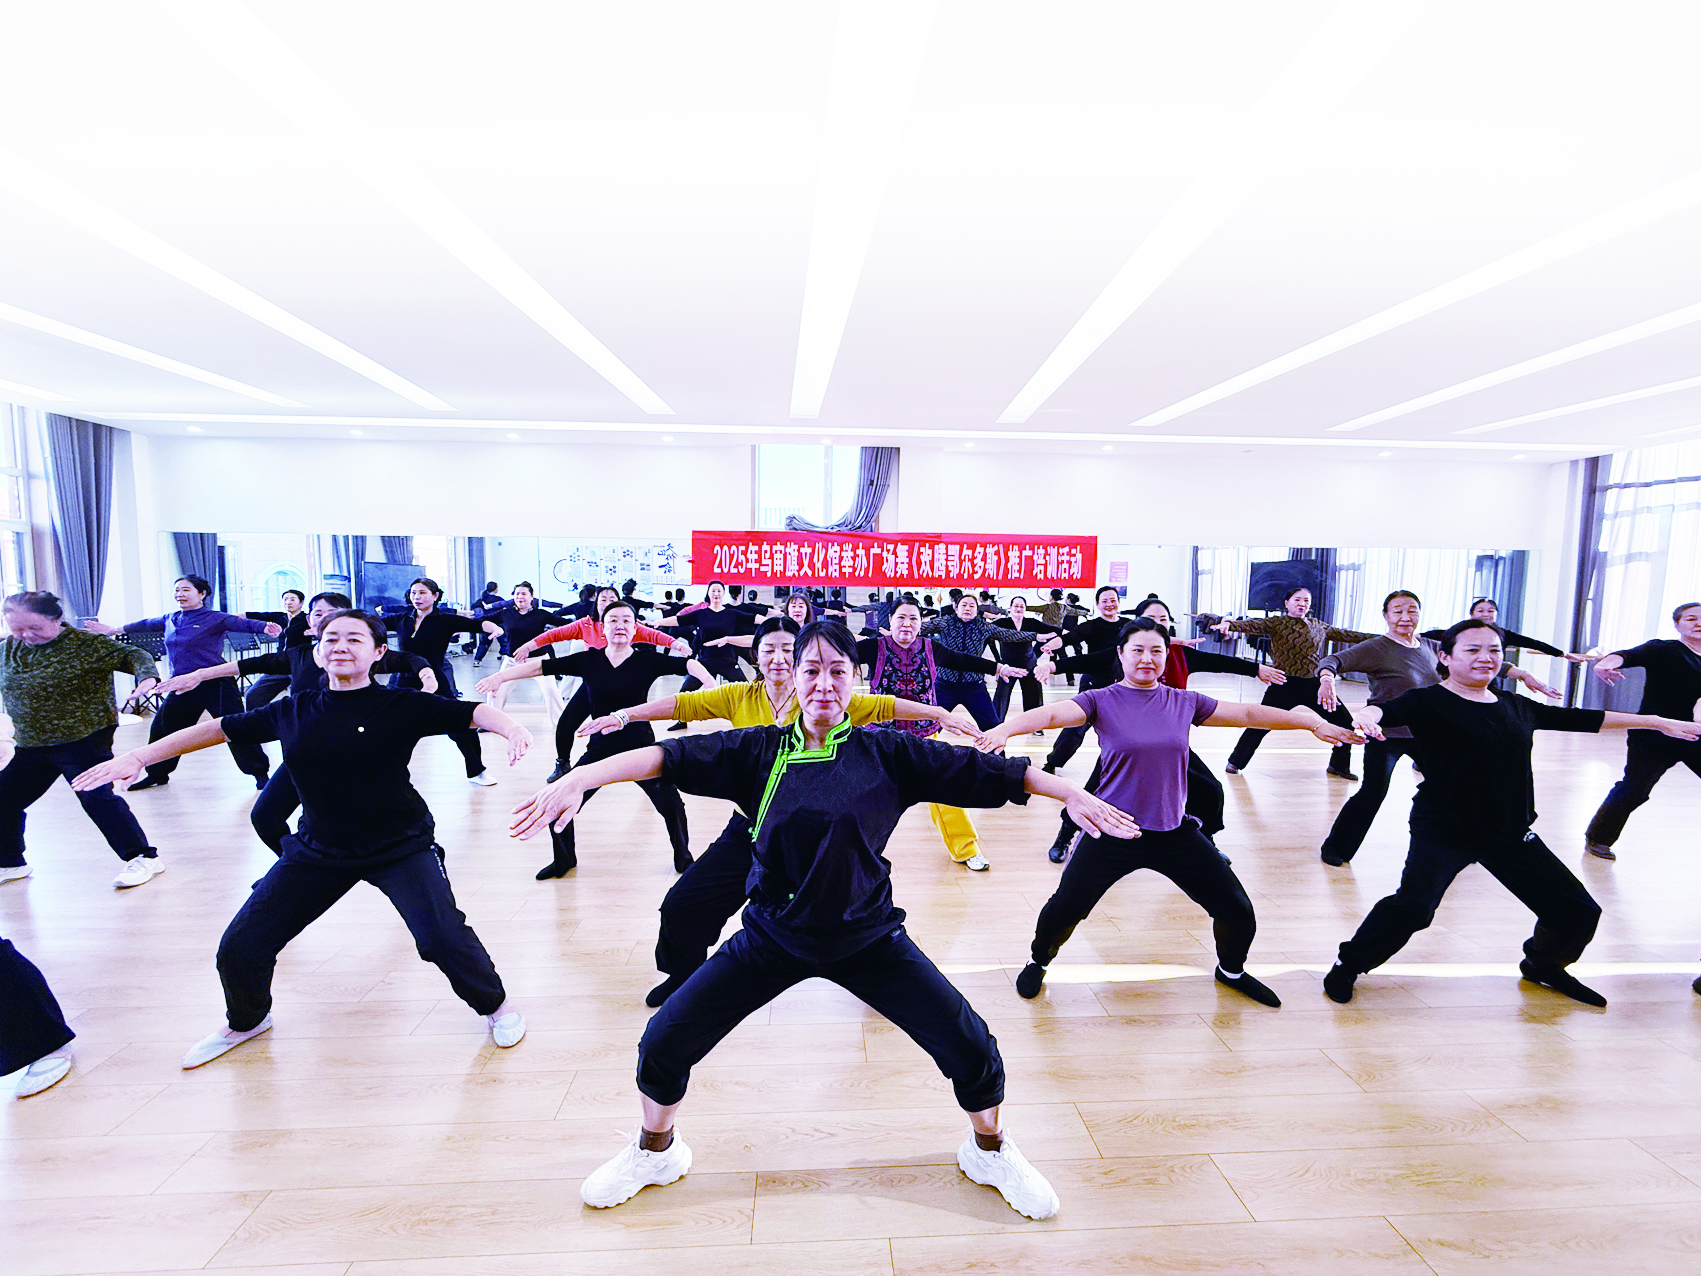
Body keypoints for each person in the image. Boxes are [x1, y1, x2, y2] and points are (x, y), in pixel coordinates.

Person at [510, 619, 1138, 1217]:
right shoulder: (758, 749)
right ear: (793, 675)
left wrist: (1072, 793)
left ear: (856, 679)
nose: (823, 683)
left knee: (971, 1045)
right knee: (663, 1042)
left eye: (837, 671)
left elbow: (992, 771)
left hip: (868, 937)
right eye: (810, 670)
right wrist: (581, 777)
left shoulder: (886, 751)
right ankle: (656, 1152)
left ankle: (990, 1151)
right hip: (773, 937)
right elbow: (664, 757)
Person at [71, 610, 536, 1067]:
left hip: (401, 846)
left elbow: (471, 712)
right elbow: (217, 729)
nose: (340, 646)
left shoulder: (402, 705)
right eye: (331, 639)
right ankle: (248, 1021)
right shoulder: (292, 710)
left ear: (379, 653)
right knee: (240, 947)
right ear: (317, 653)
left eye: (354, 639)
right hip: (318, 850)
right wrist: (140, 757)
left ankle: (497, 1007)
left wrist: (512, 727)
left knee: (440, 938)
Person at [576, 615, 983, 1007]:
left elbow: (885, 706)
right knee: (682, 906)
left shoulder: (822, 694)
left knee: (858, 917)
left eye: (787, 650)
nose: (777, 658)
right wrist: (624, 715)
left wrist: (939, 713)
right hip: (751, 828)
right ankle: (683, 977)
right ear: (755, 656)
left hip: (814, 835)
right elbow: (683, 705)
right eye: (768, 649)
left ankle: (885, 981)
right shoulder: (739, 695)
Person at [1322, 618, 1700, 1008]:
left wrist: (1656, 722)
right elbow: (1382, 710)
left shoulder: (1515, 705)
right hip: (1445, 827)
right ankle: (1348, 964)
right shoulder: (1426, 701)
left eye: (1494, 651)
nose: (1485, 658)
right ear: (1445, 657)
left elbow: (1585, 719)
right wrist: (1366, 717)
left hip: (1509, 830)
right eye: (1472, 650)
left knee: (1577, 911)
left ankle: (1543, 964)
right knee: (1414, 907)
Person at [985, 616, 1359, 1007]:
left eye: (1156, 651)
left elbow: (1249, 714)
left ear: (1167, 656)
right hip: (1112, 829)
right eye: (1138, 650)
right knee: (1065, 909)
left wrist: (1307, 722)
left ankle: (1231, 971)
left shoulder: (1184, 702)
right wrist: (1004, 730)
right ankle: (1038, 961)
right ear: (1121, 654)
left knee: (1236, 909)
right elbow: (1050, 715)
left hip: (1173, 831)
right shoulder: (1100, 700)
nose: (1147, 658)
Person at [152, 592, 438, 855]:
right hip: (305, 752)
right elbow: (247, 665)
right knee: (265, 817)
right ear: (310, 620)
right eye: (317, 613)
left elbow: (407, 658)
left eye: (330, 612)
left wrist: (427, 676)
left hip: (355, 750)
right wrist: (199, 675)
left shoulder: (358, 655)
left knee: (355, 815)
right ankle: (295, 863)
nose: (321, 617)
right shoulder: (298, 654)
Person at [1316, 591, 1560, 867]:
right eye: (1397, 611)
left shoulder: (1431, 646)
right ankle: (1336, 847)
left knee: (1454, 788)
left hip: (1429, 734)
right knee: (1373, 792)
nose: (1405, 617)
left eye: (1412, 610)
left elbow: (1475, 660)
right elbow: (1333, 661)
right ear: (1386, 615)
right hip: (1386, 735)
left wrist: (1523, 674)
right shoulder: (1376, 647)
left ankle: (1461, 844)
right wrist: (1327, 680)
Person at [478, 599, 712, 879]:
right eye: (613, 620)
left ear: (635, 628)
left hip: (640, 750)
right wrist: (501, 678)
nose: (620, 625)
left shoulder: (647, 660)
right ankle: (564, 860)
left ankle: (683, 858)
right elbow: (539, 667)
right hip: (600, 749)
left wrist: (710, 684)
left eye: (626, 621)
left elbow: (689, 664)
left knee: (672, 806)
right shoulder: (589, 660)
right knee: (561, 799)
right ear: (603, 628)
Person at [1041, 595, 1282, 861]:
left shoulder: (1182, 655)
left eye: (1163, 619)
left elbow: (1220, 662)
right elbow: (1086, 661)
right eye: (1151, 618)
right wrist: (1053, 665)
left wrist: (1256, 669)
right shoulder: (1128, 654)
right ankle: (1065, 835)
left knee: (1210, 790)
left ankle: (1205, 842)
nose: (1158, 623)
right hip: (1127, 747)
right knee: (1093, 792)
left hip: (1170, 746)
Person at [0, 591, 163, 887]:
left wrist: (147, 677)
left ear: (56, 619)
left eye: (35, 628)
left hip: (84, 739)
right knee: (4, 799)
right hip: (33, 743)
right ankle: (10, 862)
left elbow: (134, 655)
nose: (26, 635)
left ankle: (144, 857)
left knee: (96, 797)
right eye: (17, 629)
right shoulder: (8, 649)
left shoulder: (87, 645)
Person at [855, 600, 1022, 872]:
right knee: (863, 797)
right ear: (890, 620)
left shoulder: (932, 648)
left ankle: (966, 848)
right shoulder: (873, 647)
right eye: (901, 618)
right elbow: (838, 653)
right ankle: (851, 853)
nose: (907, 624)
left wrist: (998, 668)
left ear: (921, 623)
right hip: (880, 742)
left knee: (946, 792)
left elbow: (962, 660)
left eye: (913, 618)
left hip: (924, 737)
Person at [85, 575, 280, 791]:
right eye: (177, 590)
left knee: (235, 728)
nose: (180, 594)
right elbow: (144, 624)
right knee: (162, 729)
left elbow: (242, 623)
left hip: (216, 683)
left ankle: (260, 773)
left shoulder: (215, 618)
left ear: (202, 594)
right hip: (181, 685)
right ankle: (157, 774)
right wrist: (113, 630)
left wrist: (265, 627)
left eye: (186, 590)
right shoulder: (171, 618)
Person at [510, 587, 681, 772]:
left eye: (612, 599)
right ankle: (562, 763)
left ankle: (649, 769)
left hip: (626, 685)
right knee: (566, 723)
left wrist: (678, 645)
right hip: (595, 685)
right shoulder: (586, 624)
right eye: (603, 599)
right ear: (596, 603)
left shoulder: (626, 625)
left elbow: (654, 635)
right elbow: (555, 634)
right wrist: (528, 647)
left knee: (636, 728)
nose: (607, 603)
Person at [1211, 586, 1373, 778]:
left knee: (1345, 722)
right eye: (1297, 600)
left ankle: (1338, 766)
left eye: (1306, 600)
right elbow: (1251, 625)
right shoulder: (1276, 623)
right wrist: (1229, 624)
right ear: (1287, 603)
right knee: (1261, 723)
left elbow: (1350, 635)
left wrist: (1384, 639)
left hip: (1314, 686)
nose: (1302, 604)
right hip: (1283, 685)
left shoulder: (1319, 625)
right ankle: (1235, 762)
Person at [1582, 601, 1701, 861]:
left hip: (1694, 735)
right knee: (1635, 788)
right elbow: (1628, 655)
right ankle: (1598, 838)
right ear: (1677, 624)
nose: (1699, 623)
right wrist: (1605, 664)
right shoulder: (1664, 649)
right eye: (1691, 618)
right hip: (1653, 734)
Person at [380, 578, 493, 785]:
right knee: (383, 725)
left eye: (422, 593)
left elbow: (476, 624)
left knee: (460, 725)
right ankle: (380, 772)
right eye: (413, 593)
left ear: (435, 596)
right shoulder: (402, 618)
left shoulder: (445, 620)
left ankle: (476, 772)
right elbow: (372, 624)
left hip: (435, 680)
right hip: (401, 681)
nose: (417, 597)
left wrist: (494, 628)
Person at [922, 592, 1058, 730]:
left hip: (974, 687)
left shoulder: (983, 627)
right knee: (928, 726)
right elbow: (921, 628)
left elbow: (1008, 634)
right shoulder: (945, 622)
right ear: (956, 608)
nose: (967, 608)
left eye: (972, 606)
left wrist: (1035, 636)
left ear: (977, 610)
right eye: (964, 605)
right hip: (944, 685)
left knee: (992, 728)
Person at [1044, 586, 1138, 772]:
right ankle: (1052, 763)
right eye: (1105, 601)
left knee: (1125, 729)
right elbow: (1068, 638)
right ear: (1097, 604)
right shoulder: (1092, 626)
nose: (1109, 604)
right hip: (1094, 683)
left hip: (1122, 685)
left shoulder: (1129, 626)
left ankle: (1122, 768)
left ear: (1119, 602)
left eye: (1113, 600)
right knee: (1076, 726)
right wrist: (1050, 646)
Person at [656, 581, 754, 730]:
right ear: (708, 593)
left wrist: (775, 622)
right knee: (685, 691)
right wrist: (658, 622)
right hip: (705, 661)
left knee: (746, 689)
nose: (716, 594)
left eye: (719, 591)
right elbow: (679, 620)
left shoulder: (731, 613)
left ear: (723, 593)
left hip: (727, 661)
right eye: (713, 591)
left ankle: (752, 719)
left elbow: (752, 617)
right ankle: (682, 720)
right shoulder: (701, 614)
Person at [477, 583, 572, 718]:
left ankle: (560, 724)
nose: (520, 597)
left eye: (523, 594)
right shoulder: (506, 613)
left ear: (531, 597)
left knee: (551, 691)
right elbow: (482, 621)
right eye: (517, 594)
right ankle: (491, 721)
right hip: (512, 661)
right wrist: (494, 628)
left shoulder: (541, 614)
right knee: (496, 690)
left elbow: (566, 623)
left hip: (538, 661)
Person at [990, 595, 1063, 726]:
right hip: (1008, 665)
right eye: (1016, 606)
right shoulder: (1002, 623)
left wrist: (1068, 634)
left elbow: (1052, 630)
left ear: (1025, 608)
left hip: (1028, 664)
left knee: (1033, 695)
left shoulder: (1031, 622)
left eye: (1021, 606)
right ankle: (995, 724)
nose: (1018, 609)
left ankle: (1035, 725)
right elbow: (986, 632)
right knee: (1001, 696)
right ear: (1010, 608)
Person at [242, 589, 310, 709]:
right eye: (285, 599)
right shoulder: (280, 617)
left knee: (299, 700)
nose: (288, 602)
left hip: (300, 664)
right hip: (281, 663)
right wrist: (224, 619)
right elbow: (252, 615)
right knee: (253, 695)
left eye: (292, 599)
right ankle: (256, 720)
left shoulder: (307, 619)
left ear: (301, 603)